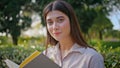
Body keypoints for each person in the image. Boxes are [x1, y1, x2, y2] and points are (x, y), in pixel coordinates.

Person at [42, 0, 104, 68]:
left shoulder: (92, 58)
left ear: (71, 21)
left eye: (60, 20)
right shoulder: (45, 55)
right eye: (50, 22)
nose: (54, 27)